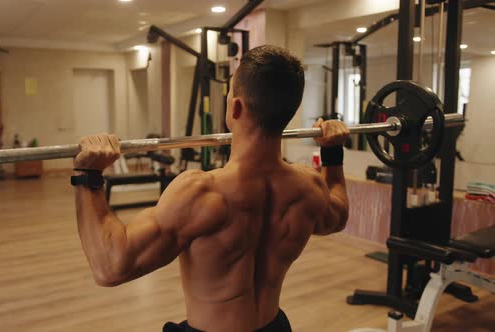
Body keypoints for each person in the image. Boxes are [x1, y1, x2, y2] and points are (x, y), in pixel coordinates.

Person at [72, 45, 350, 332]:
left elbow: (110, 266)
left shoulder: (202, 194)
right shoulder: (308, 186)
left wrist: (87, 175)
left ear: (236, 107)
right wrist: (332, 154)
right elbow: (338, 216)